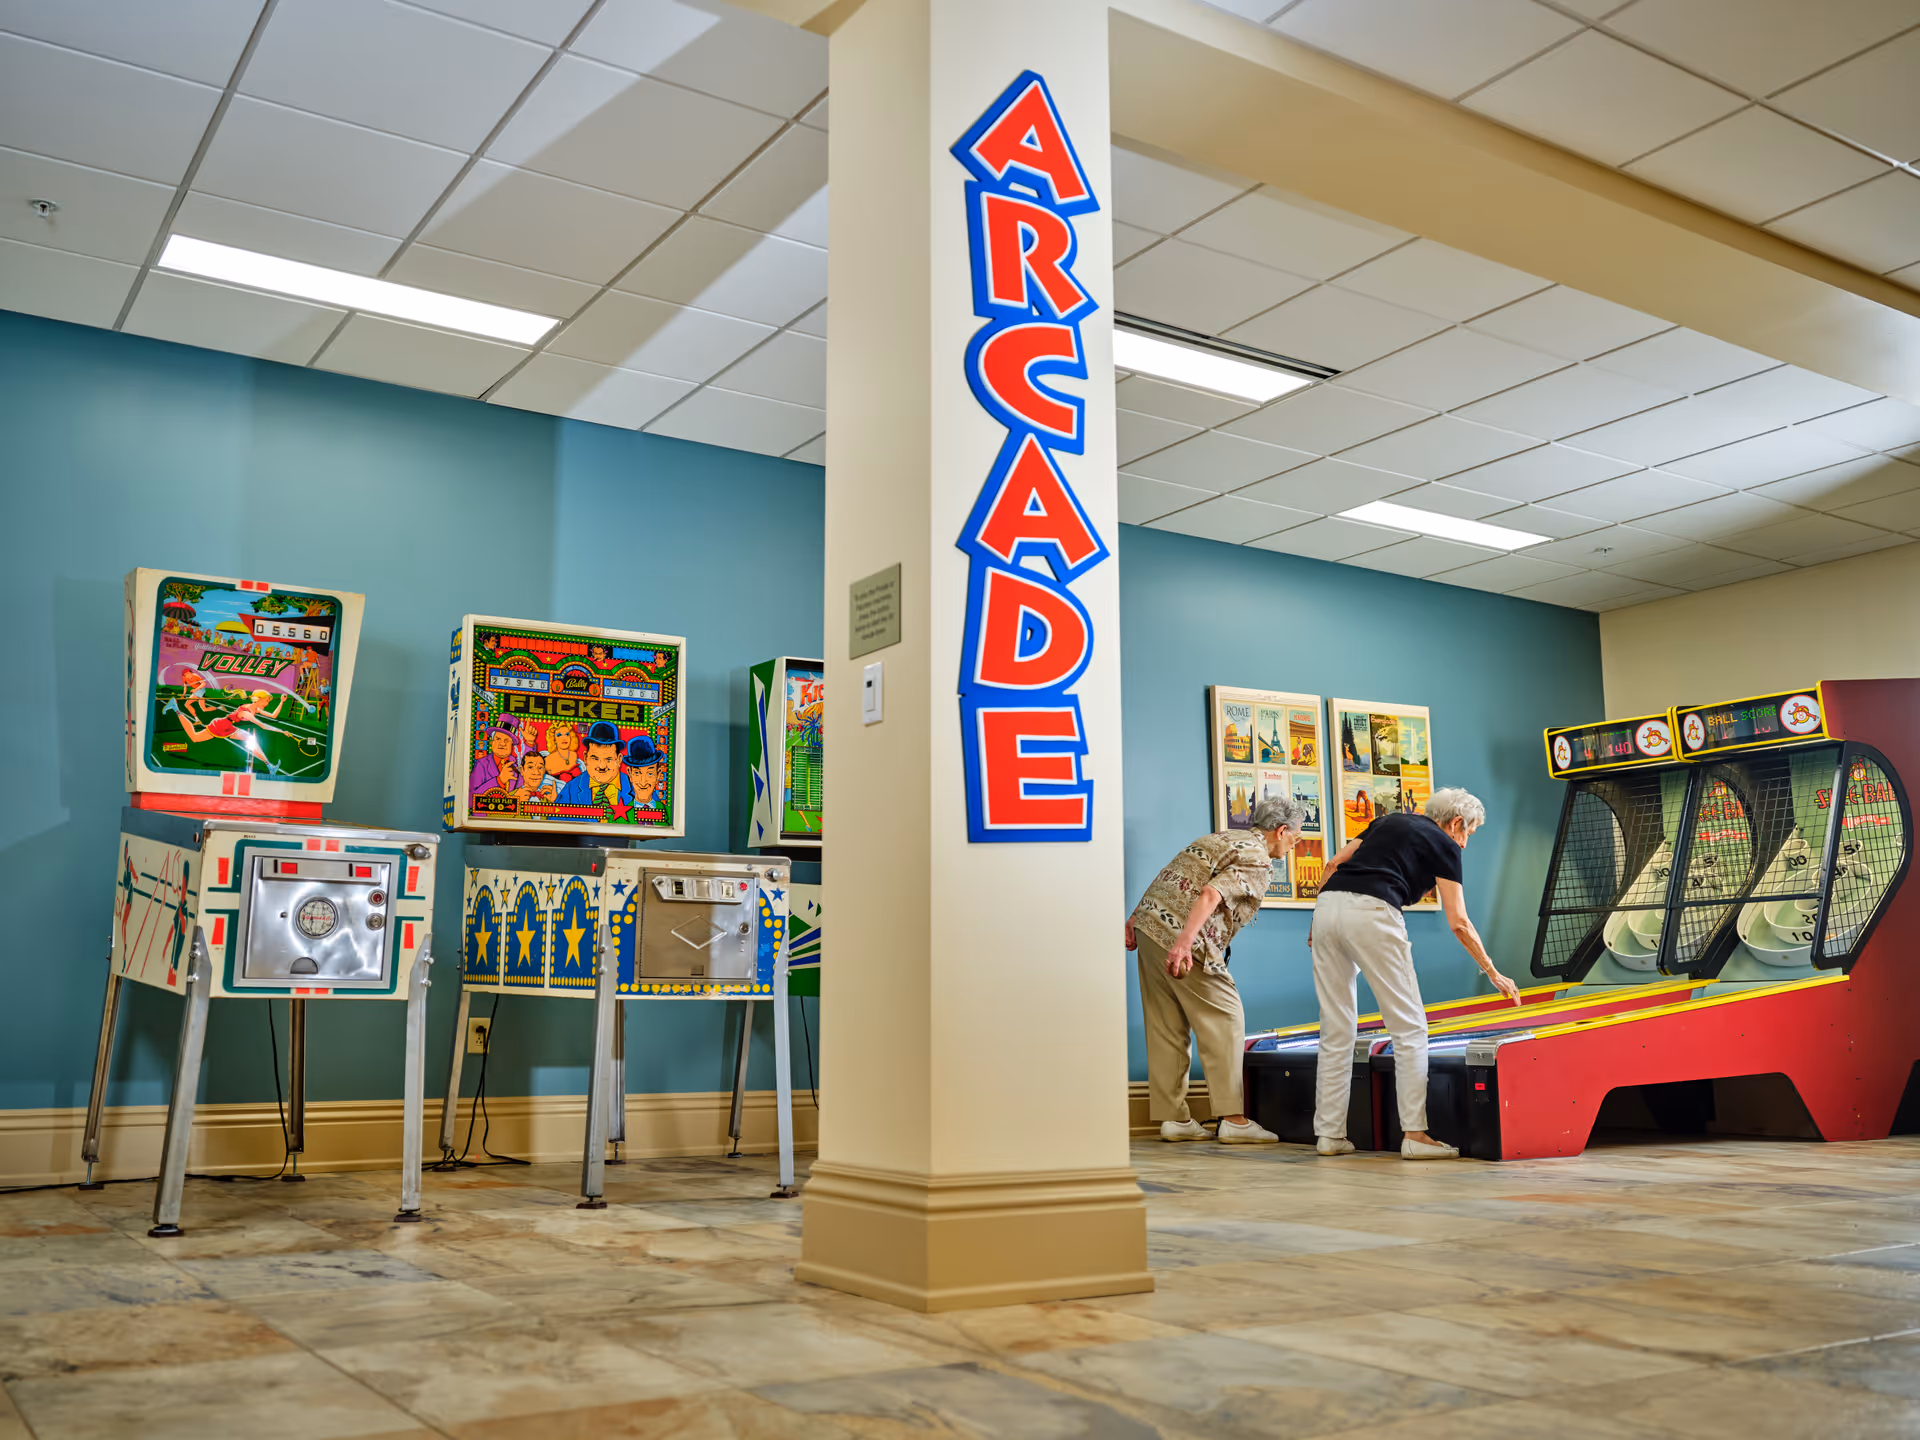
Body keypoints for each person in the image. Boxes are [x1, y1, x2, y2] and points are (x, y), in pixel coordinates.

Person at [1311, 787, 1521, 1161]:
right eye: (1468, 834)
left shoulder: (1387, 820)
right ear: (1456, 823)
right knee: (1409, 1027)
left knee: (1337, 1026)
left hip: (1327, 907)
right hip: (1374, 912)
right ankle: (1415, 1134)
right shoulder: (1445, 844)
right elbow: (1458, 921)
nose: (1465, 843)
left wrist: (1318, 925)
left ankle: (1329, 1135)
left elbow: (1332, 864)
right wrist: (1492, 971)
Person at [1125, 796, 1310, 1144]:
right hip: (1185, 940)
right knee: (1227, 1017)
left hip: (1150, 929)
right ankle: (1234, 1119)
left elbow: (1169, 875)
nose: (1294, 844)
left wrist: (1136, 916)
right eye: (1295, 837)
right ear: (1281, 831)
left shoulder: (1218, 838)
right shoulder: (1257, 858)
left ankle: (1174, 1118)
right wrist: (1183, 942)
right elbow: (1211, 894)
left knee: (1165, 1023)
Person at [558, 720, 630, 816]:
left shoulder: (635, 787)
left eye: (609, 759)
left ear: (619, 759)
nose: (602, 766)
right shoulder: (571, 789)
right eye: (595, 758)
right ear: (585, 757)